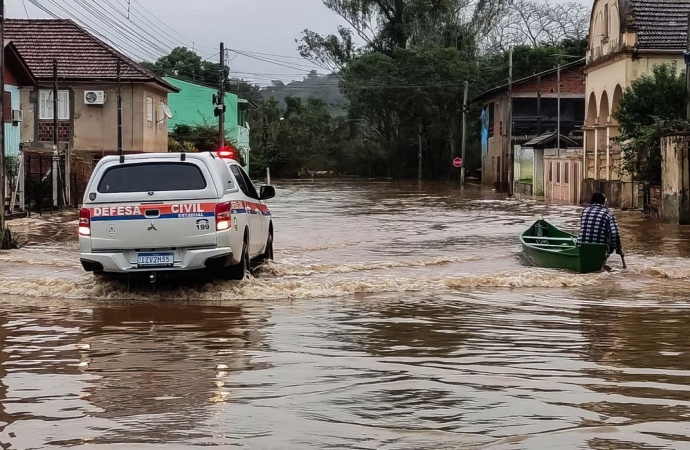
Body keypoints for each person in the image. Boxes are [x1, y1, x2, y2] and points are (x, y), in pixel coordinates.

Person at [577, 193, 627, 270]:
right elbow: (614, 234)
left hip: (581, 246)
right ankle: (602, 262)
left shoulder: (584, 211)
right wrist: (619, 249)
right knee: (611, 239)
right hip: (599, 248)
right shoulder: (608, 214)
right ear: (604, 202)